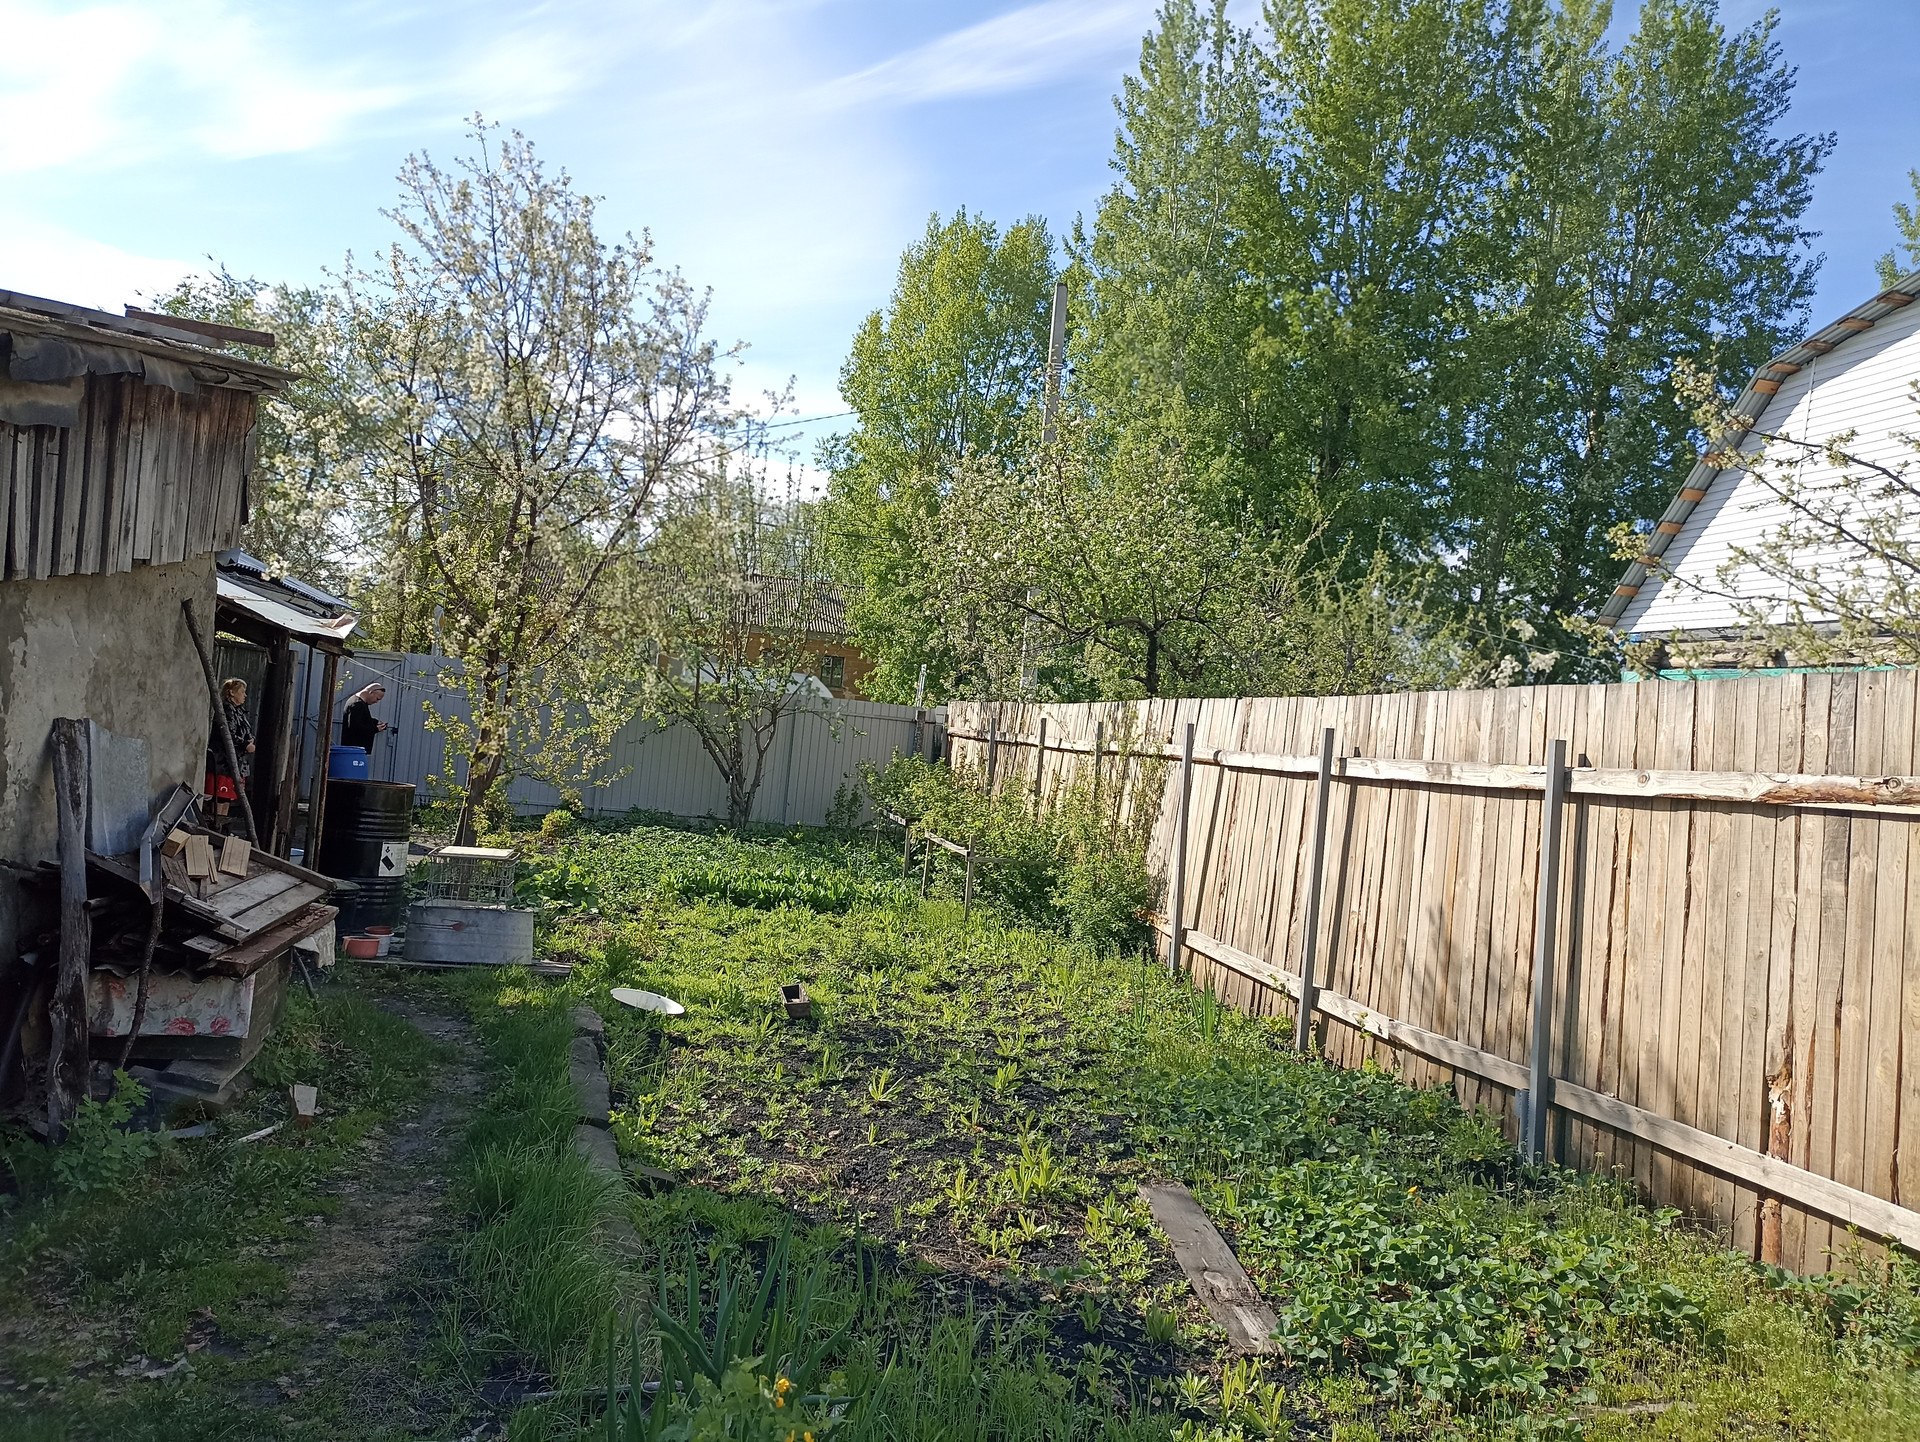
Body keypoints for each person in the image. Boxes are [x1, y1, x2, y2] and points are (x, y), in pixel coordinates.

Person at [205, 677, 255, 815]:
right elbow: (227, 734)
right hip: (223, 762)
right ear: (232, 693)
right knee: (220, 798)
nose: (245, 695)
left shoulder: (239, 711)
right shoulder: (227, 710)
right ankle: (216, 824)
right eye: (242, 692)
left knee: (227, 798)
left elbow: (244, 731)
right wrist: (245, 744)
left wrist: (250, 739)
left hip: (235, 762)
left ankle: (222, 825)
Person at [340, 682, 390, 752]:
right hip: (354, 750)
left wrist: (375, 722)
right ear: (371, 692)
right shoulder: (357, 704)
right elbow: (356, 727)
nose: (376, 702)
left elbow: (360, 719)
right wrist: (375, 729)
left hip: (355, 750)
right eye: (377, 699)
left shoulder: (359, 702)